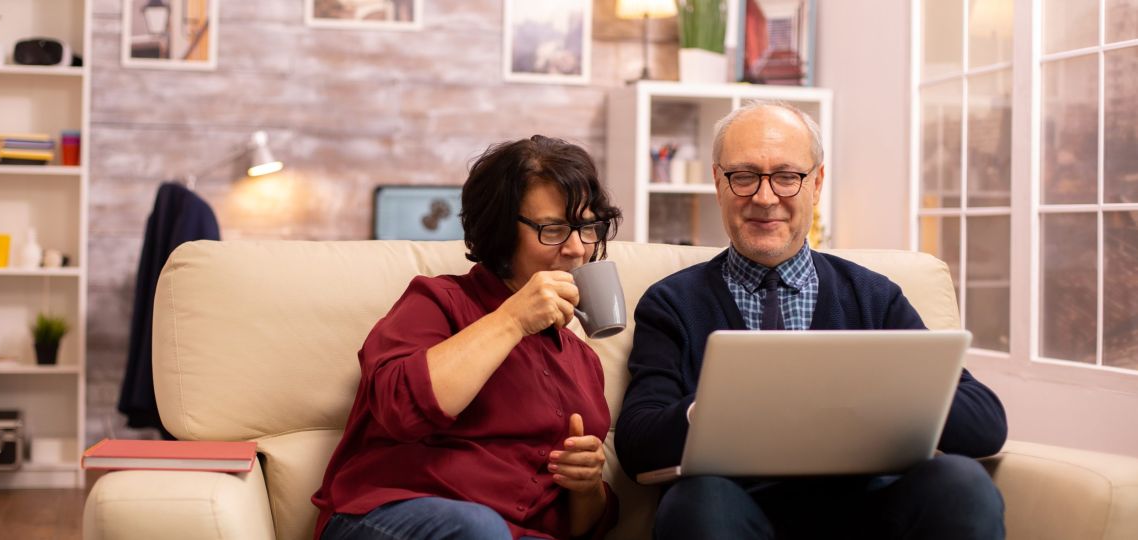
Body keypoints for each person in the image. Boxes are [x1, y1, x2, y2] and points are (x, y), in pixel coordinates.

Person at [614, 101, 1009, 540]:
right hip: (734, 509)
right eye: (743, 176)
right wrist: (718, 407)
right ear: (718, 182)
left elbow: (986, 425)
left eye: (787, 176)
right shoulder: (672, 303)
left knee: (962, 484)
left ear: (816, 183)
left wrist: (882, 383)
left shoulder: (875, 297)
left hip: (869, 510)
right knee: (696, 501)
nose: (765, 199)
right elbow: (636, 445)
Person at [312, 135, 623, 540]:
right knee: (478, 528)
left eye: (587, 228)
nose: (576, 248)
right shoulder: (438, 301)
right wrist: (511, 319)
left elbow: (578, 526)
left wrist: (585, 487)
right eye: (554, 229)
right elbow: (401, 409)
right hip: (387, 520)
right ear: (500, 231)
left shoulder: (582, 361)